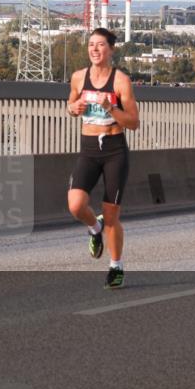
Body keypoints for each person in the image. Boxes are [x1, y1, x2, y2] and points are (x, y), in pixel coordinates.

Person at [66, 28, 140, 289]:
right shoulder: (78, 77)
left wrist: (111, 108)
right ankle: (94, 229)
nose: (94, 50)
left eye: (100, 45)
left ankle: (116, 266)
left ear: (111, 50)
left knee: (111, 217)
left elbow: (133, 123)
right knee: (75, 205)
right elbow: (71, 105)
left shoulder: (121, 81)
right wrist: (73, 109)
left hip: (114, 150)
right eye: (91, 45)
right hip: (88, 148)